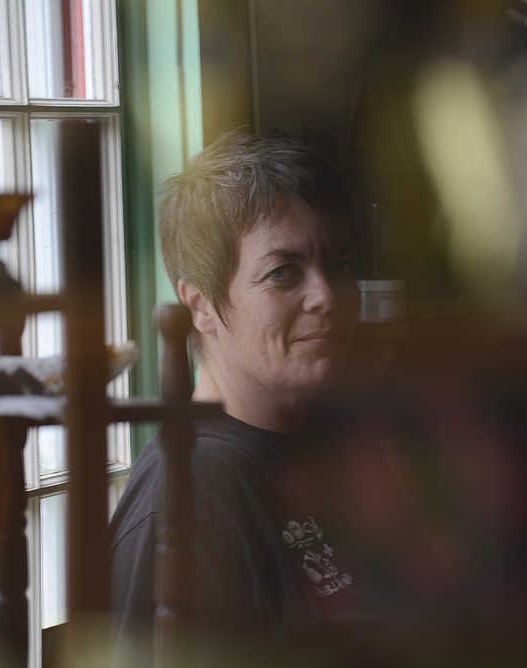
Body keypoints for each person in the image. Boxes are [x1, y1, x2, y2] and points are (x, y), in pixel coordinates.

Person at [108, 129, 369, 662]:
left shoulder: (332, 445)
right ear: (199, 305)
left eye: (339, 266)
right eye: (283, 273)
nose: (326, 296)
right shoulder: (190, 493)